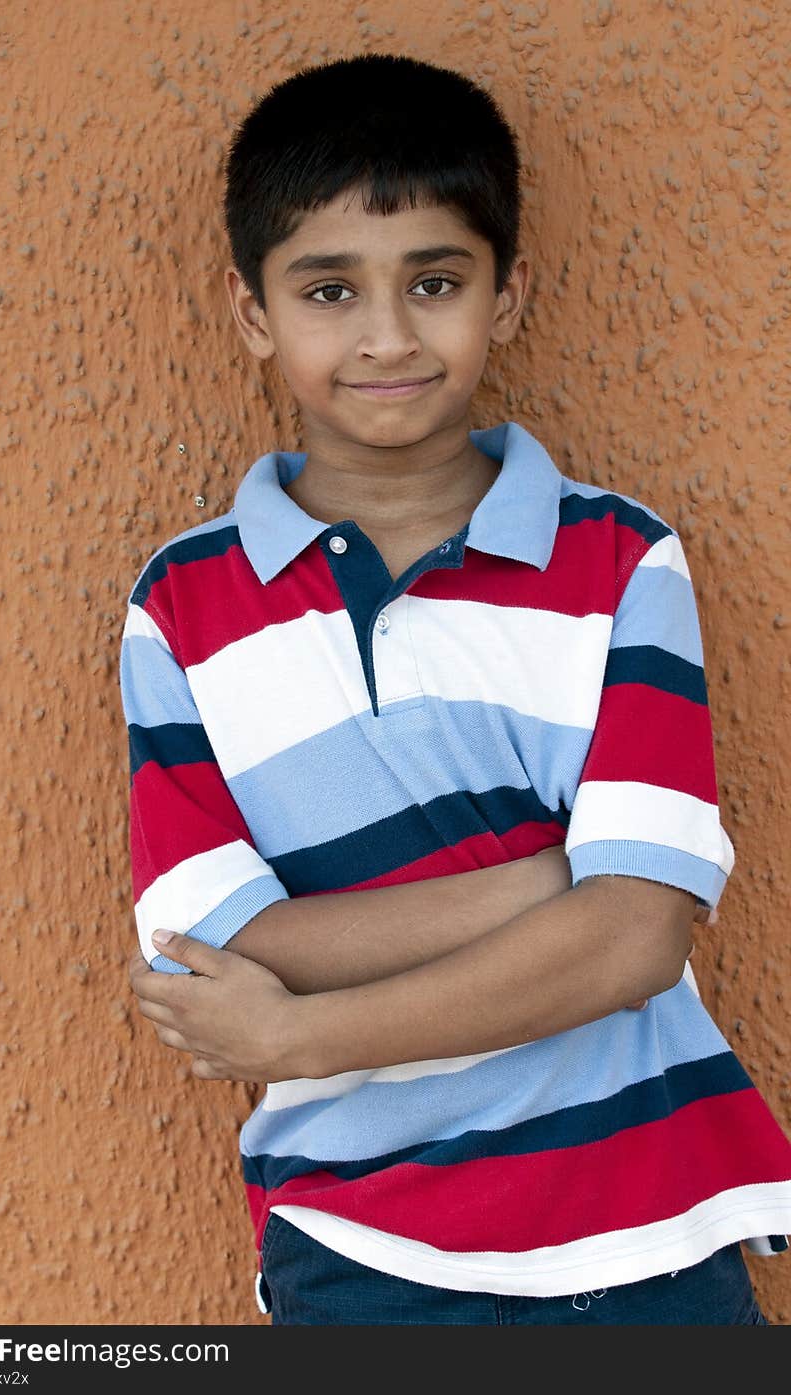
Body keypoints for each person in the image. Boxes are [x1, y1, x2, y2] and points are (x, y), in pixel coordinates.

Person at [120, 53, 791, 1325]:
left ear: (507, 292)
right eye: (329, 289)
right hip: (359, 1243)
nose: (387, 335)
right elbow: (226, 948)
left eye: (434, 282)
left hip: (642, 1220)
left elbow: (640, 939)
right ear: (253, 311)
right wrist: (560, 879)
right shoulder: (183, 607)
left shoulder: (615, 559)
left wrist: (301, 1038)